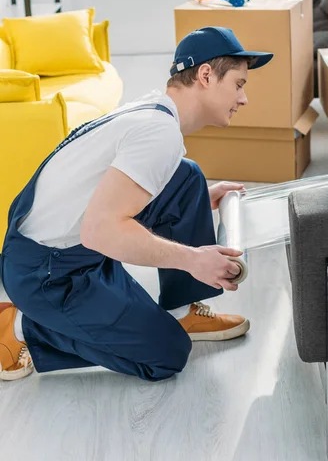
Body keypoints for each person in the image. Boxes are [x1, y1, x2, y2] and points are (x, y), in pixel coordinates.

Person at [0, 26, 273, 382]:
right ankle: (20, 326)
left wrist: (198, 202)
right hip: (48, 276)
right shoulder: (158, 133)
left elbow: (106, 199)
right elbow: (101, 230)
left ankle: (181, 310)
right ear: (206, 75)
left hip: (65, 248)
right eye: (239, 84)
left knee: (187, 178)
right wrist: (193, 259)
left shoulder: (151, 110)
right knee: (167, 354)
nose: (243, 99)